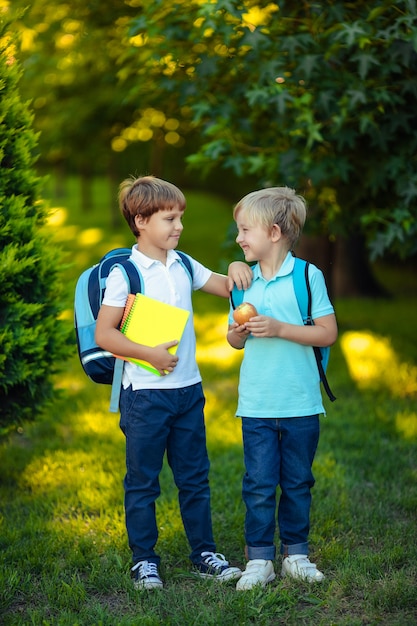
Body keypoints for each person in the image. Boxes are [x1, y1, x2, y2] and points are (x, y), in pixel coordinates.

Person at [95, 175, 251, 590]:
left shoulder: (182, 263)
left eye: (180, 217)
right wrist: (150, 355)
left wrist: (236, 267)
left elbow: (223, 286)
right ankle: (144, 560)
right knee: (143, 483)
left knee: (195, 478)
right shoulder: (124, 273)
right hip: (145, 397)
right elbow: (105, 334)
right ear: (141, 220)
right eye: (170, 218)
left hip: (188, 392)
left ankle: (204, 553)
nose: (179, 226)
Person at [227, 187, 338, 591]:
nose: (239, 238)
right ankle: (259, 559)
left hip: (300, 403)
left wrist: (278, 328)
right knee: (257, 483)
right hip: (256, 403)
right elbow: (233, 341)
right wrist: (238, 333)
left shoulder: (308, 277)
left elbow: (327, 334)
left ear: (273, 232)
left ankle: (296, 553)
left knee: (296, 481)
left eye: (244, 230)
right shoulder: (242, 281)